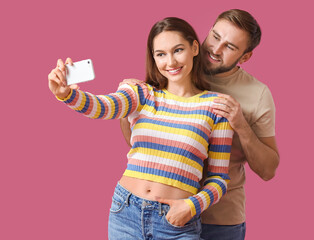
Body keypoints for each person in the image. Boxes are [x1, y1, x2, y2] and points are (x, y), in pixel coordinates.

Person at [47, 17, 233, 240]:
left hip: (176, 222)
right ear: (153, 58)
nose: (171, 62)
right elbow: (103, 107)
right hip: (126, 212)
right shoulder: (141, 93)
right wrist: (66, 94)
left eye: (178, 50)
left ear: (194, 48)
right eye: (161, 54)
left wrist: (192, 206)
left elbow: (219, 178)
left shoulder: (216, 106)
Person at [119, 9, 280, 240]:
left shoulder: (258, 94)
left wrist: (241, 125)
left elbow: (268, 170)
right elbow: (135, 144)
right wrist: (130, 106)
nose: (216, 49)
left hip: (219, 220)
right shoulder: (173, 69)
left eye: (230, 47)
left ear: (244, 57)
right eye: (215, 37)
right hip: (159, 211)